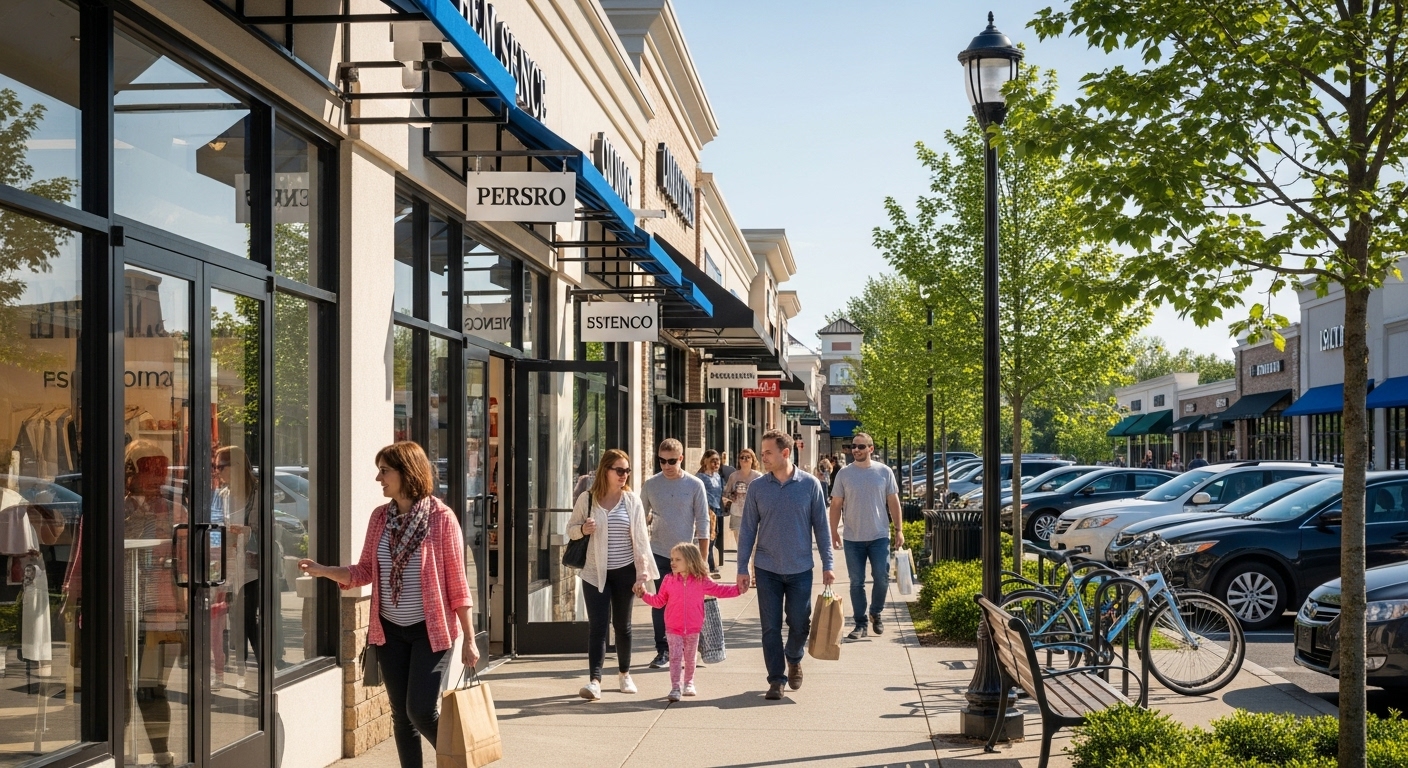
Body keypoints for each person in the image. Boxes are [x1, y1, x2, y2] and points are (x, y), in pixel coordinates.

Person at [300, 442, 477, 768]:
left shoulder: (441, 518)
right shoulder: (380, 518)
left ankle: (462, 758)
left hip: (432, 631)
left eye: (384, 471)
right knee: (402, 717)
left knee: (420, 710)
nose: (378, 478)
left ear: (406, 472)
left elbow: (457, 584)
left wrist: (470, 638)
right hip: (389, 632)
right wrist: (324, 571)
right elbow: (365, 570)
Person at [736, 430, 834, 701]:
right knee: (770, 626)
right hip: (767, 568)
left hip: (801, 568)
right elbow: (747, 530)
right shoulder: (758, 487)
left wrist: (828, 563)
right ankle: (776, 680)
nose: (762, 457)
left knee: (800, 623)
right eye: (763, 452)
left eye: (768, 452)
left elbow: (822, 528)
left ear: (785, 453)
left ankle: (794, 657)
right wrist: (742, 567)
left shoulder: (810, 485)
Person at [564, 449, 656, 699]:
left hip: (625, 571)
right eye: (619, 470)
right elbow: (570, 530)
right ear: (606, 470)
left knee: (623, 626)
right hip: (594, 573)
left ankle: (625, 674)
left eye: (627, 470)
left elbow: (641, 540)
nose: (624, 475)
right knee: (598, 627)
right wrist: (583, 528)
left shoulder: (632, 501)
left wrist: (642, 574)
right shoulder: (588, 498)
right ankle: (594, 681)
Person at [123, 440, 189, 767]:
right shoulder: (116, 508)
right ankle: (116, 754)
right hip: (120, 609)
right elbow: (86, 555)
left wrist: (187, 612)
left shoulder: (176, 512)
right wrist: (74, 599)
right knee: (117, 686)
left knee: (151, 687)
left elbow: (189, 563)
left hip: (162, 612)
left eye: (158, 471)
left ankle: (161, 754)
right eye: (146, 470)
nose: (154, 479)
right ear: (130, 474)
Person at [634, 542, 744, 701]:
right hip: (673, 627)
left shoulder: (701, 580)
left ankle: (689, 683)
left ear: (690, 561)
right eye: (672, 559)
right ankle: (675, 687)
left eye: (677, 559)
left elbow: (719, 590)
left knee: (690, 658)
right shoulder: (668, 580)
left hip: (693, 627)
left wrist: (738, 589)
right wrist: (644, 595)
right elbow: (659, 601)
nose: (672, 562)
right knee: (675, 657)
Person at [640, 439, 709, 670]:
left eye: (671, 461)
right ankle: (663, 650)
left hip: (687, 557)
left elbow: (703, 522)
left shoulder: (694, 484)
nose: (666, 466)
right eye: (662, 461)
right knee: (660, 604)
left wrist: (703, 558)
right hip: (658, 553)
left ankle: (690, 648)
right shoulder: (651, 485)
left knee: (688, 604)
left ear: (681, 459)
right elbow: (640, 519)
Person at [828, 433, 903, 640]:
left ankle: (876, 612)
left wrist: (899, 529)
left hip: (879, 535)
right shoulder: (844, 474)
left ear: (871, 448)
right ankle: (860, 623)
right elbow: (835, 505)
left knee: (881, 577)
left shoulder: (884, 472)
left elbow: (893, 502)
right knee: (856, 582)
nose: (856, 450)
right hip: (853, 537)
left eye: (861, 446)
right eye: (853, 446)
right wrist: (834, 531)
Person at [697, 450, 726, 577]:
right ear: (705, 461)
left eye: (717, 460)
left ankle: (711, 563)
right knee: (707, 536)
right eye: (713, 460)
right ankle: (709, 565)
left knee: (714, 536)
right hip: (706, 510)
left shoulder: (718, 476)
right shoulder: (700, 477)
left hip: (717, 509)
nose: (716, 463)